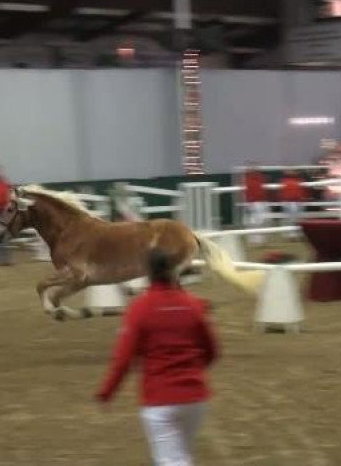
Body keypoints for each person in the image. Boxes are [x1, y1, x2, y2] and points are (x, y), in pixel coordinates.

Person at [95, 248, 219, 466]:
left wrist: (107, 392)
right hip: (195, 399)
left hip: (159, 400)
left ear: (147, 273)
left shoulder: (139, 310)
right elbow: (212, 350)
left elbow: (123, 360)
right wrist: (192, 371)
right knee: (180, 456)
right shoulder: (194, 305)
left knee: (172, 460)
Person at [243, 162, 269, 245]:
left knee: (260, 221)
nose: (252, 168)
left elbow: (263, 190)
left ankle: (260, 240)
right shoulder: (247, 178)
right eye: (250, 167)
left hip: (260, 202)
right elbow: (246, 191)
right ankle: (254, 240)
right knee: (252, 222)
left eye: (253, 167)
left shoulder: (260, 177)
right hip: (252, 202)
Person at [279, 170, 307, 238]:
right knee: (290, 218)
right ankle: (291, 234)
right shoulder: (283, 180)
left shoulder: (299, 180)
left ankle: (296, 234)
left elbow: (303, 190)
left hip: (297, 201)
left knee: (297, 218)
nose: (291, 172)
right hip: (289, 201)